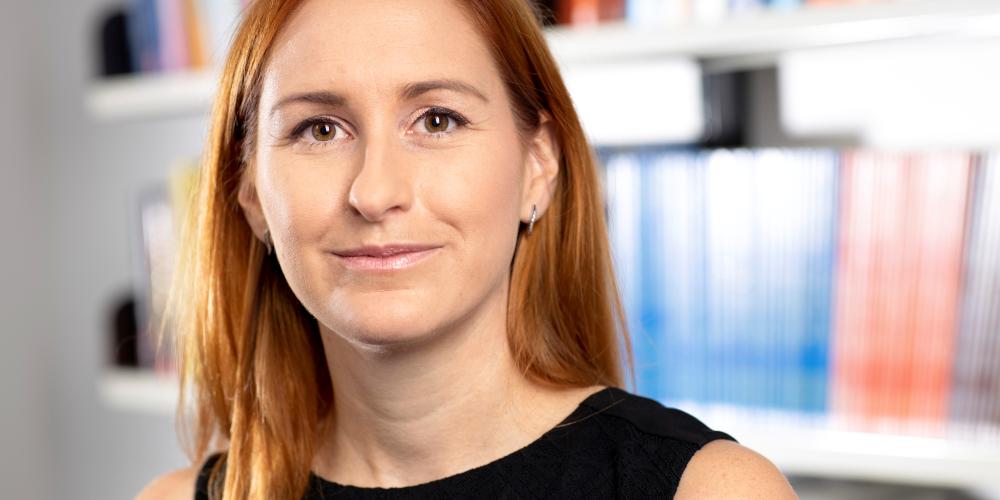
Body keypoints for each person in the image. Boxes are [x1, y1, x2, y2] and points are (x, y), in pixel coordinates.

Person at [139, 0, 797, 498]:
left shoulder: (712, 490)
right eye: (320, 129)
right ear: (251, 192)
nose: (375, 192)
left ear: (537, 167)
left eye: (437, 120)